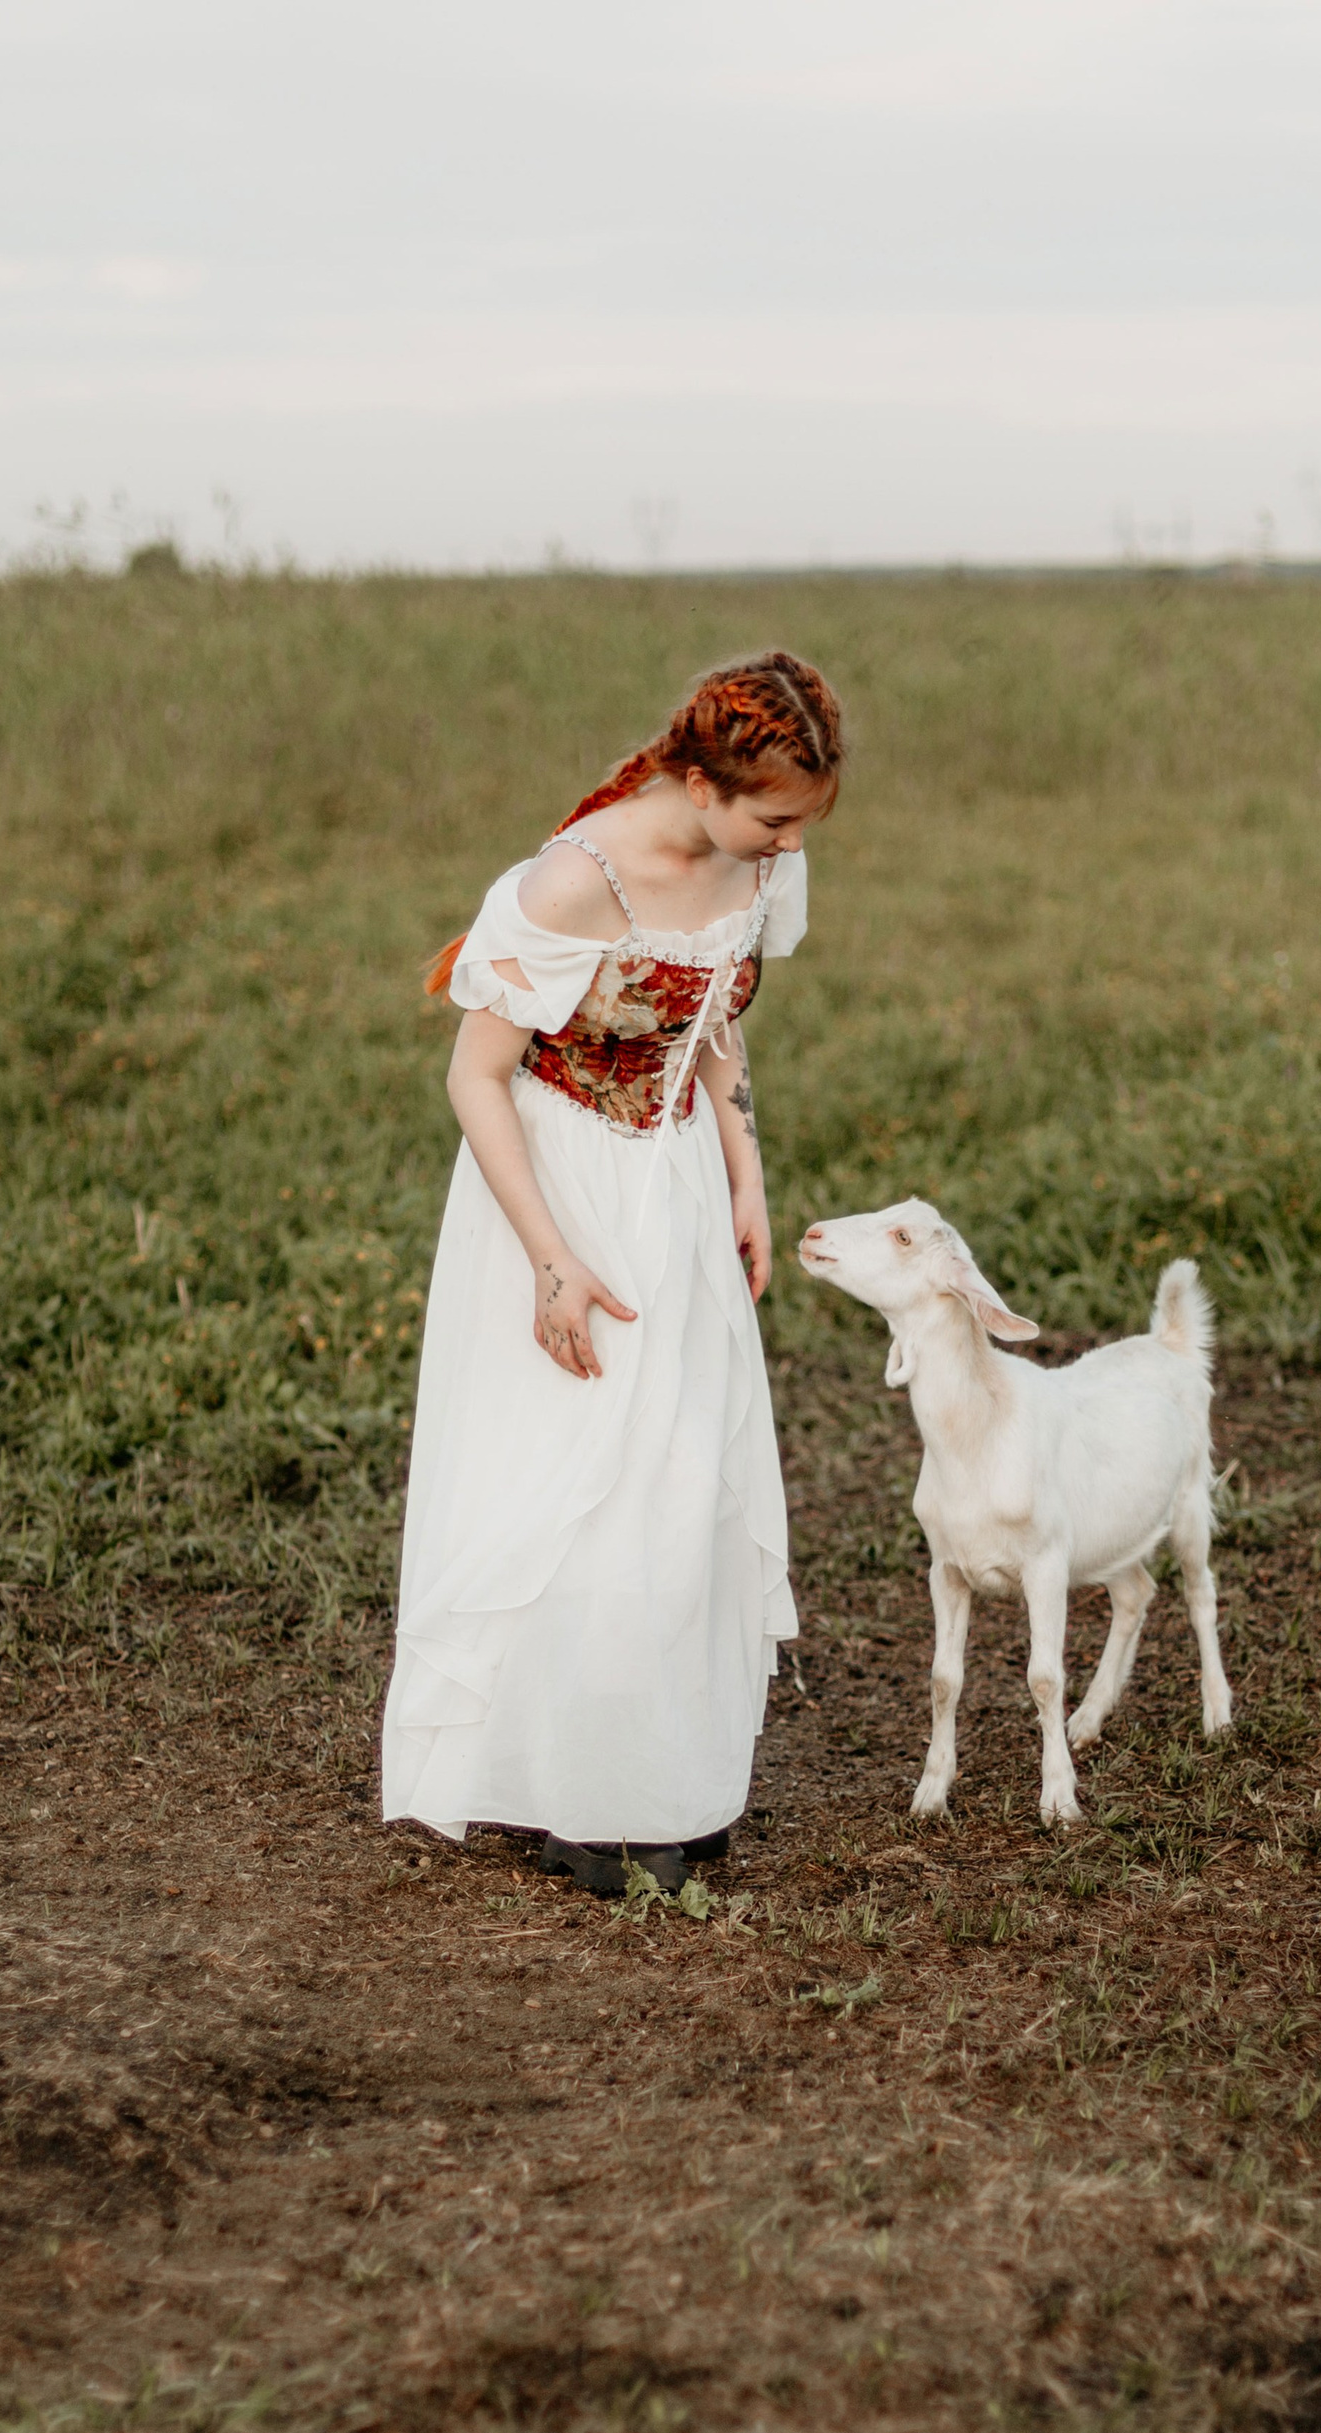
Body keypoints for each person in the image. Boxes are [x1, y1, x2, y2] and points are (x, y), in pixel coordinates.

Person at [380, 652, 845, 1895]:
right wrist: (551, 1263)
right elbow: (475, 1077)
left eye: (806, 818)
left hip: (676, 1181)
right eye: (772, 816)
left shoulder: (762, 857)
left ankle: (663, 1778)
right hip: (558, 1188)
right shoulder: (570, 881)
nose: (791, 843)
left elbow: (715, 1027)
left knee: (680, 1478)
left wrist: (745, 1173)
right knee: (577, 1487)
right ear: (697, 781)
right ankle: (570, 1789)